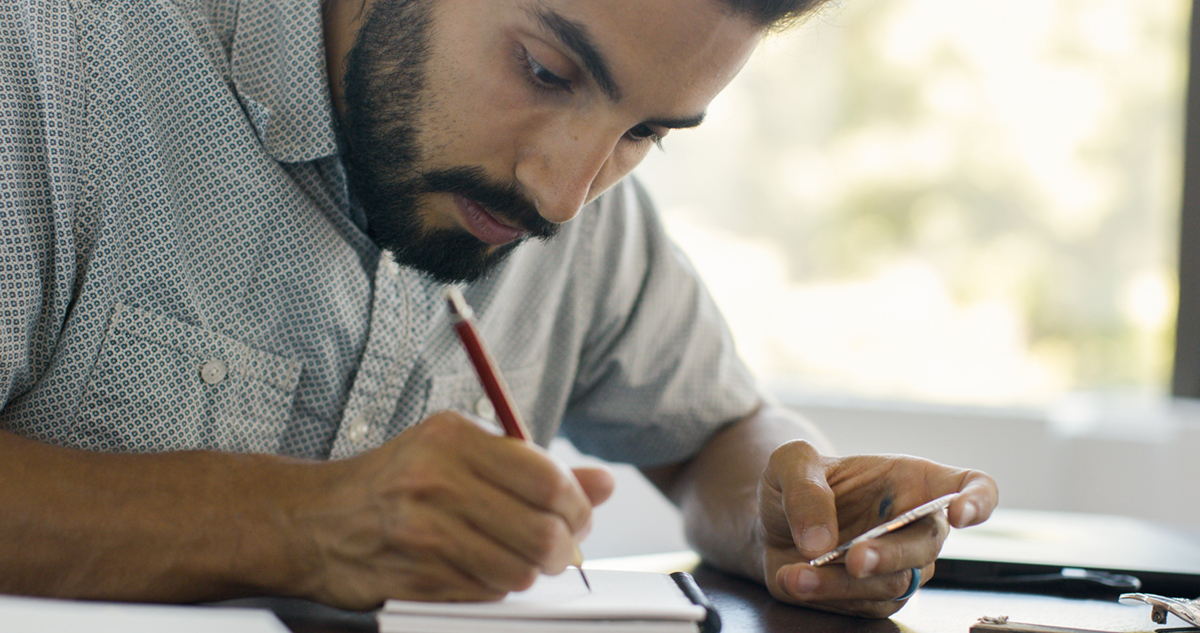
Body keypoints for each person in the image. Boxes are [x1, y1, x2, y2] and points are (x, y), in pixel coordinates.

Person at [0, 0, 998, 619]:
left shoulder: (589, 213)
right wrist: (301, 525)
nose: (563, 195)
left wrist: (793, 508)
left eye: (649, 130)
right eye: (548, 72)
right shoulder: (55, 64)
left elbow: (718, 434)